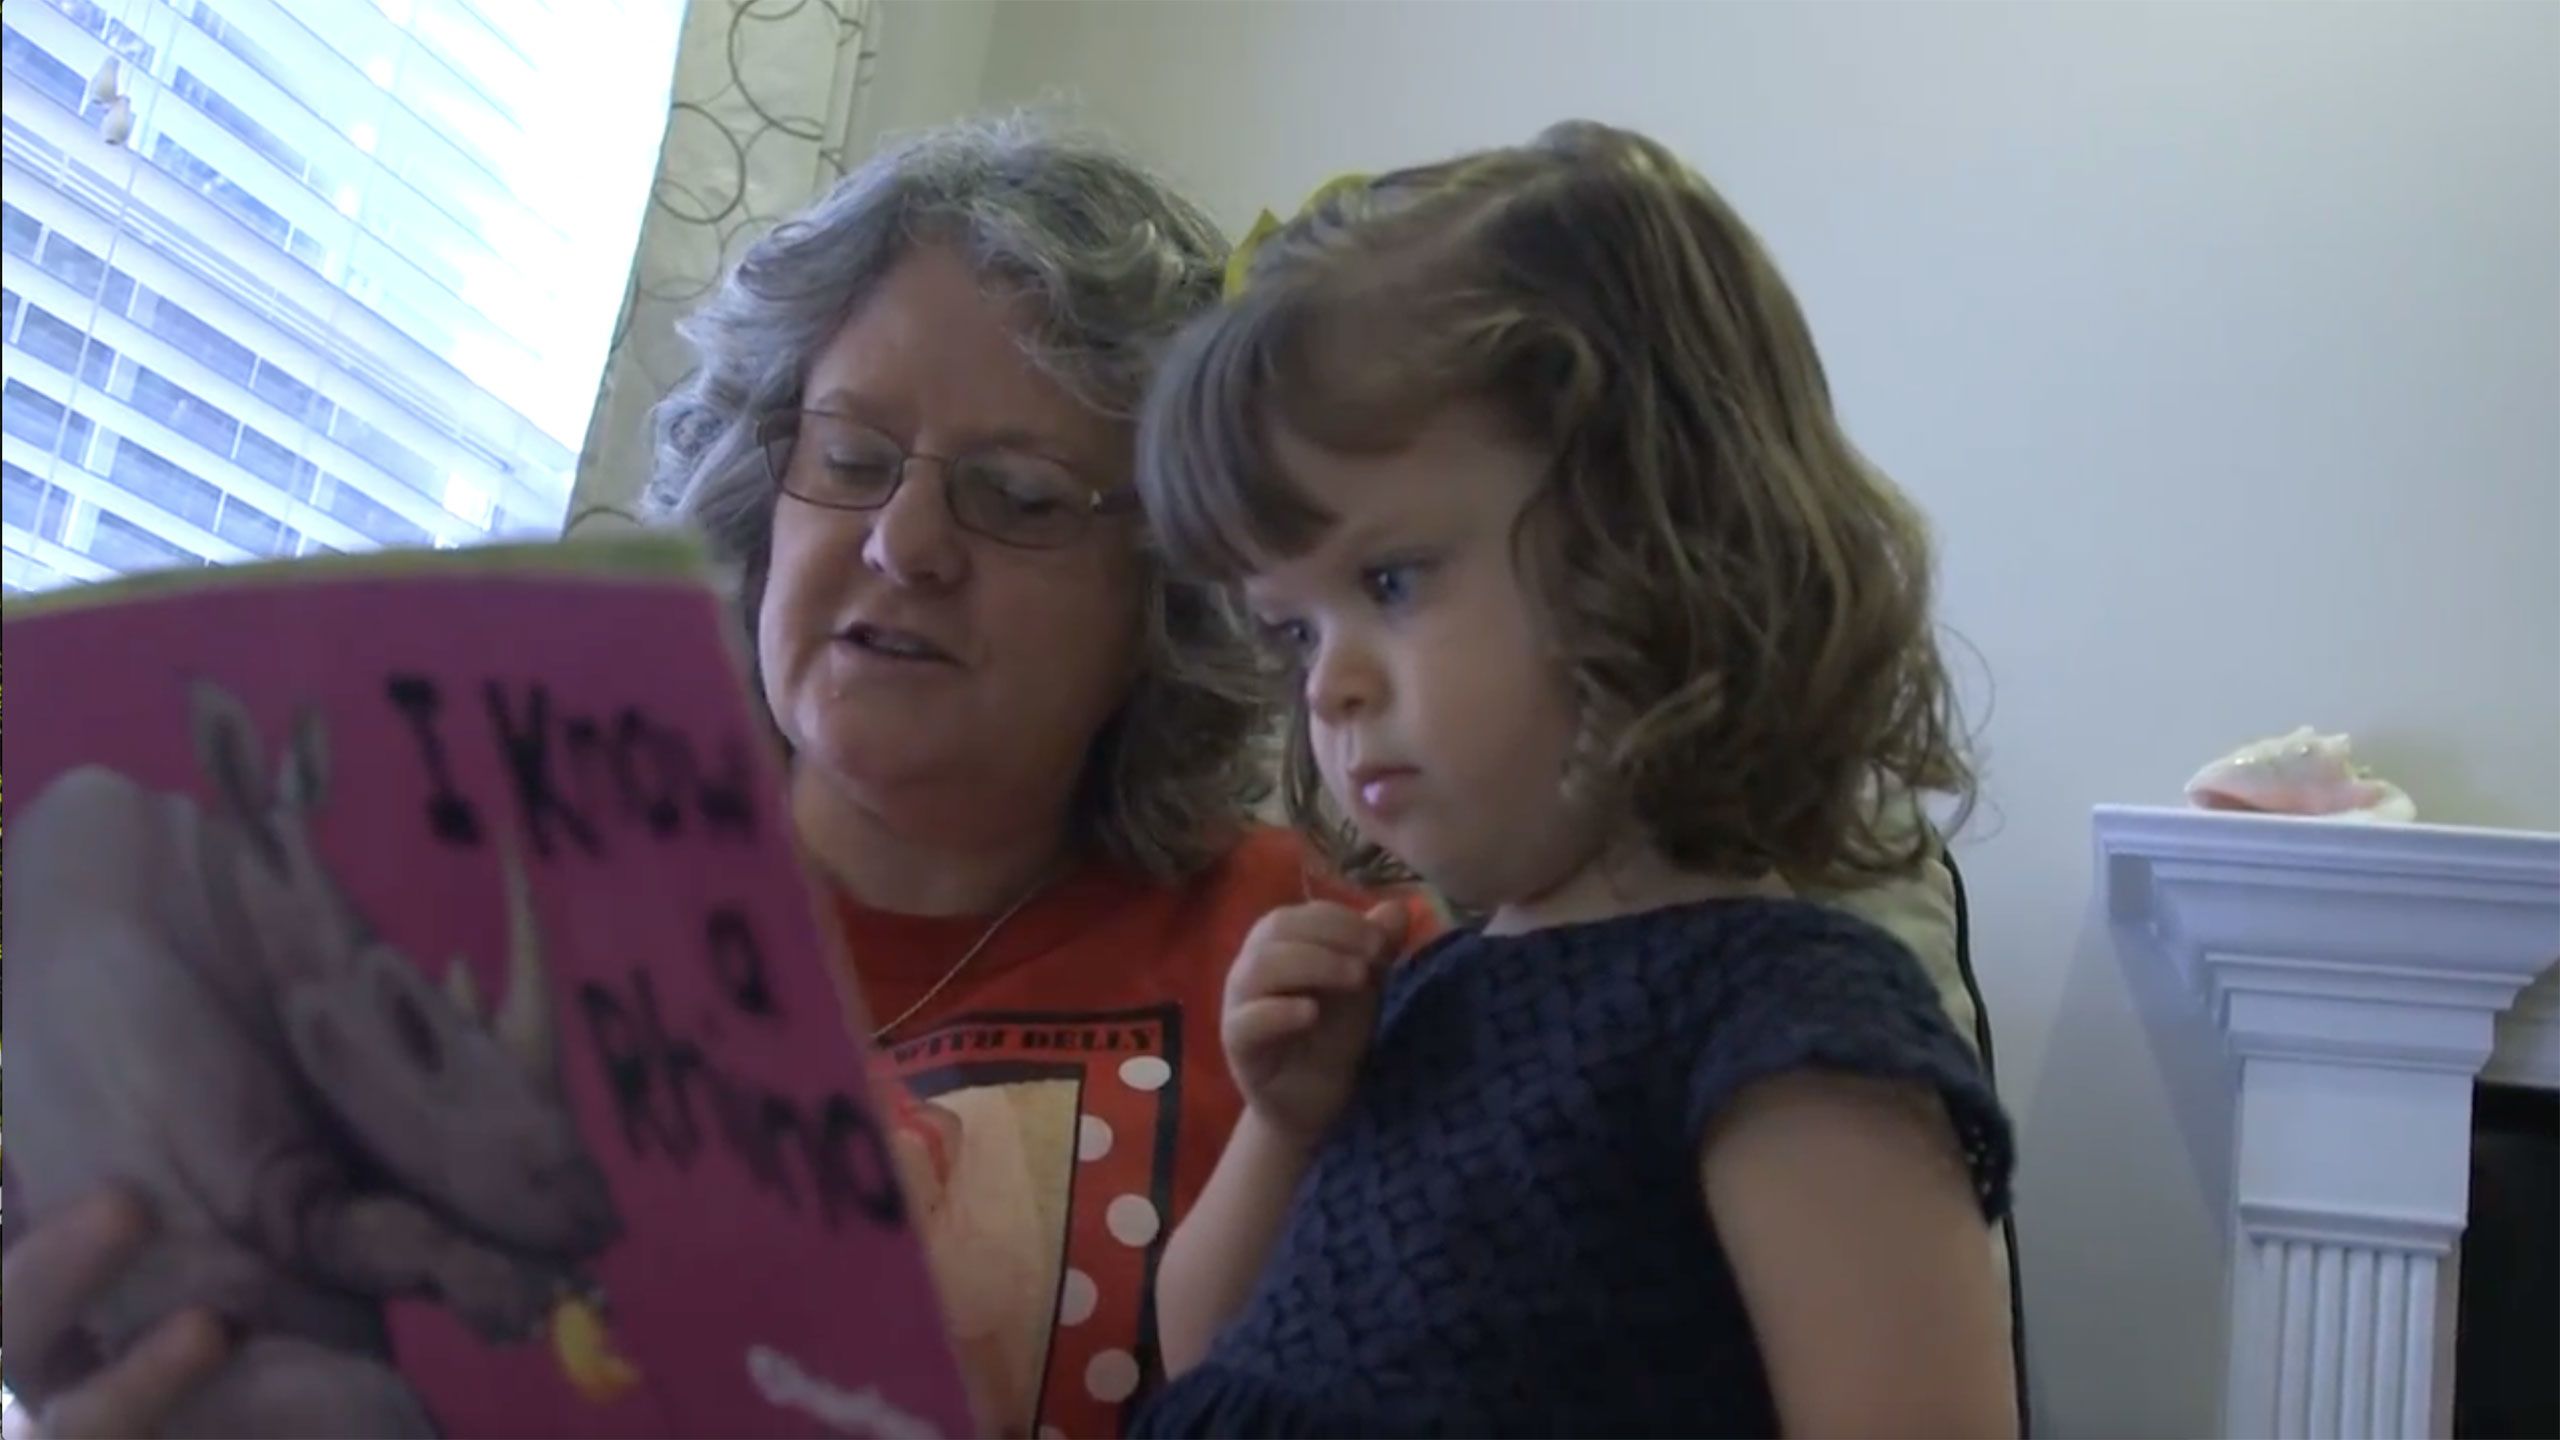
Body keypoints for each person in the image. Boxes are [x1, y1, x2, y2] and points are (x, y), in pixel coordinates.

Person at [0, 114, 1995, 1440]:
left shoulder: (1338, 985)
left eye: (1020, 496)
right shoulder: (444, 951)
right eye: (850, 458)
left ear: (1163, 600)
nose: (901, 546)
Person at [1129, 122, 2018, 1436]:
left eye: (1389, 582)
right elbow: (1212, 1360)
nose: (1329, 686)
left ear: (1655, 545)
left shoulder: (1787, 1027)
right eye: (1292, 629)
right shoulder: (1431, 998)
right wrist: (1288, 1123)